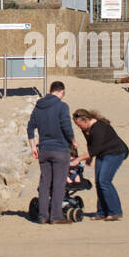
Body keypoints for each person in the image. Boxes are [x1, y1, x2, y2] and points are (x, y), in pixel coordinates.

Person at [26, 80, 77, 224]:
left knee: (44, 183)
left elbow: (30, 128)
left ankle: (42, 216)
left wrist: (33, 147)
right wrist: (73, 140)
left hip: (44, 149)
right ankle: (56, 216)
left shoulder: (38, 107)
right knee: (59, 183)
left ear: (50, 90)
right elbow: (66, 125)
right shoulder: (62, 106)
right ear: (62, 92)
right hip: (60, 149)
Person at [72, 109, 129, 220]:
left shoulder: (99, 127)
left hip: (115, 152)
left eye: (80, 124)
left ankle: (115, 211)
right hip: (101, 153)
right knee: (98, 182)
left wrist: (79, 159)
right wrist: (89, 158)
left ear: (86, 120)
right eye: (77, 125)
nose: (79, 127)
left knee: (104, 181)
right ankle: (102, 212)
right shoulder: (86, 129)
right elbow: (91, 144)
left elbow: (96, 148)